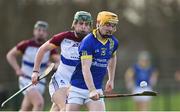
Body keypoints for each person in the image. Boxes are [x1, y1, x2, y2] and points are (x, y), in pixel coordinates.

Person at [31, 11, 93, 111]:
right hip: (60, 81)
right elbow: (42, 49)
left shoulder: (92, 41)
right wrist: (35, 72)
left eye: (87, 24)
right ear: (74, 24)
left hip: (76, 85)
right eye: (81, 23)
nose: (83, 27)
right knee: (66, 108)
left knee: (57, 109)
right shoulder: (64, 37)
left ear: (90, 27)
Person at [66, 11, 119, 111]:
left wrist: (111, 79)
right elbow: (85, 68)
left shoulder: (113, 42)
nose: (110, 29)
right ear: (98, 24)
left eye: (113, 26)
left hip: (97, 88)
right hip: (77, 88)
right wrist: (92, 90)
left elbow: (112, 57)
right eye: (107, 25)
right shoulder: (88, 41)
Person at [6, 21, 59, 111]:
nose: (41, 32)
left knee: (26, 109)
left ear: (46, 33)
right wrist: (17, 69)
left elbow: (60, 63)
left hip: (40, 83)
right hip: (26, 80)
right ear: (34, 31)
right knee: (39, 103)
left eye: (43, 31)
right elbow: (10, 55)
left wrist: (53, 65)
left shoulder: (49, 48)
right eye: (39, 30)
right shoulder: (26, 45)